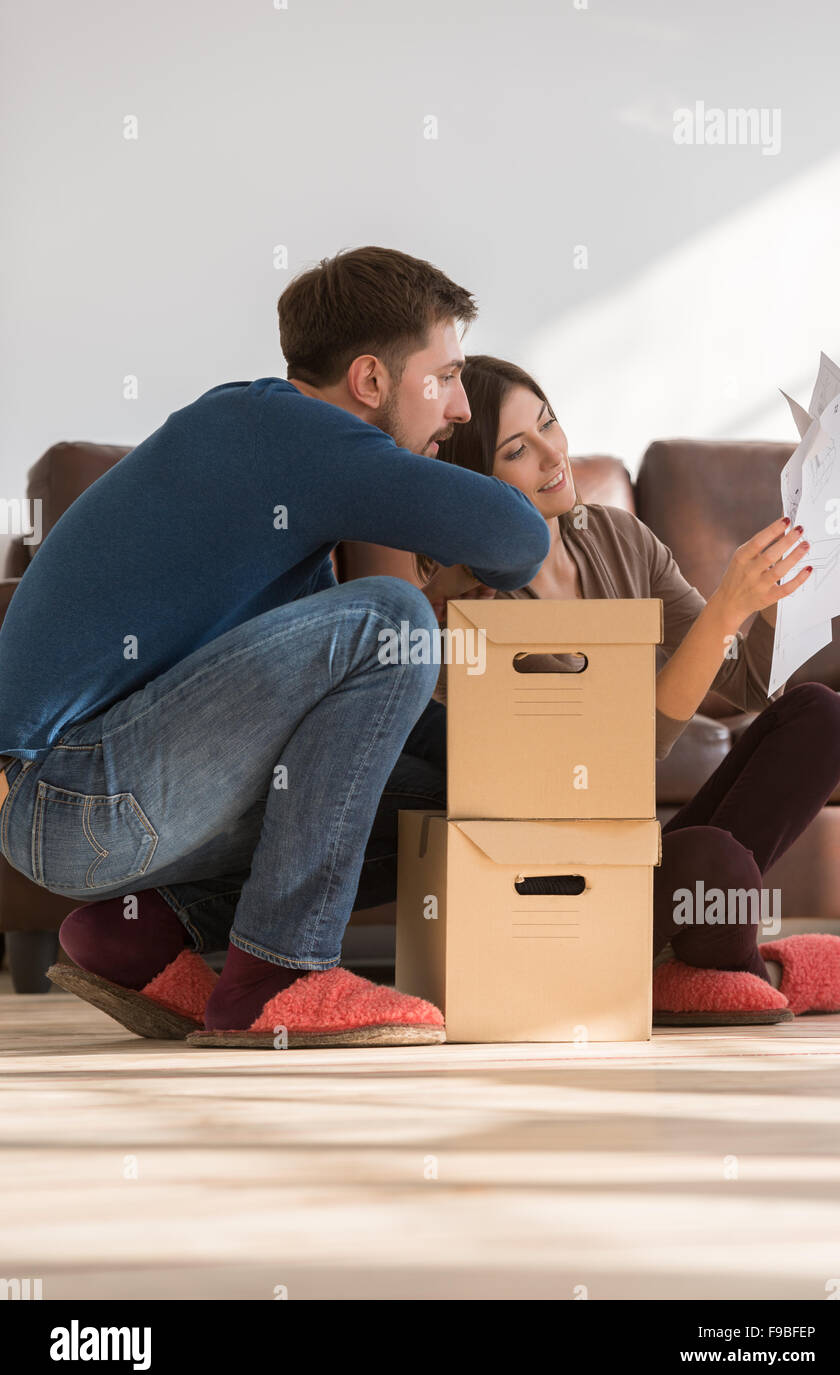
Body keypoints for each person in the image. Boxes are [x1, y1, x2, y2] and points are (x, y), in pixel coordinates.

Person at [0, 250, 551, 1048]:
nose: (461, 407)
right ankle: (279, 976)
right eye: (446, 375)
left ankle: (139, 933)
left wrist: (499, 765)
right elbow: (518, 539)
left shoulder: (275, 469)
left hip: (93, 806)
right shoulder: (289, 435)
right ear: (369, 381)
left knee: (441, 793)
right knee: (386, 617)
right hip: (72, 792)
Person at [415, 355, 840, 1026]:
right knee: (714, 866)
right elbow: (615, 758)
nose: (550, 455)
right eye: (516, 449)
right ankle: (736, 969)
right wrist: (721, 610)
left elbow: (739, 684)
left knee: (823, 717)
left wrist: (766, 604)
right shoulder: (477, 610)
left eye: (548, 424)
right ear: (477, 484)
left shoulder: (614, 537)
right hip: (560, 884)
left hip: (633, 862)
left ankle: (697, 967)